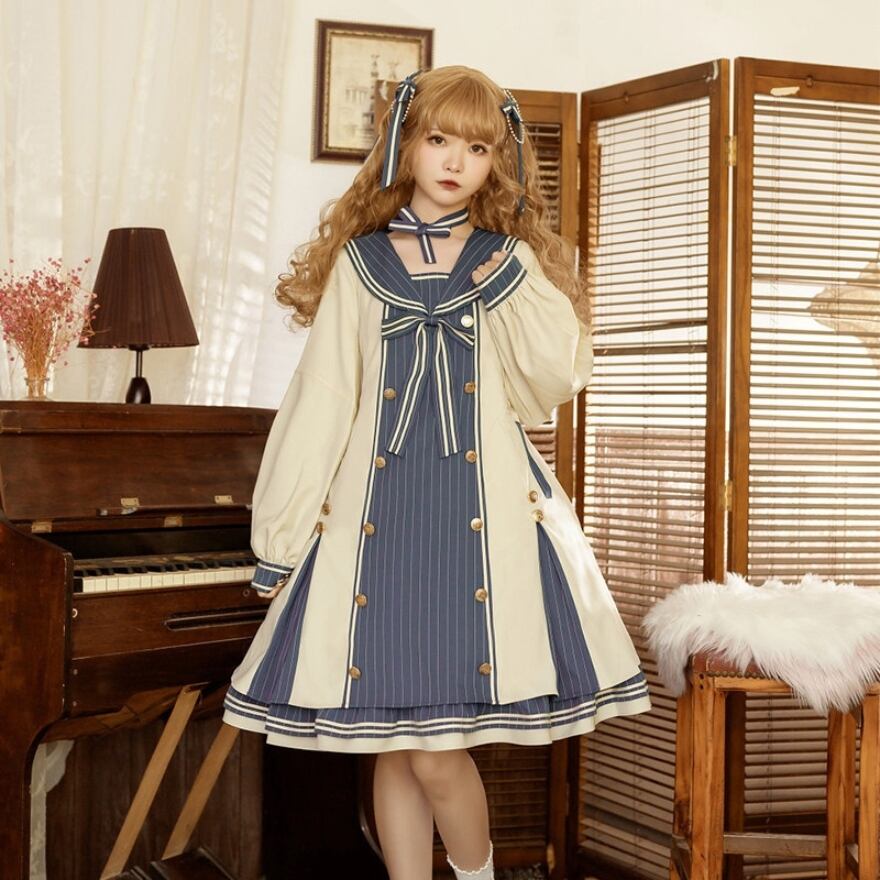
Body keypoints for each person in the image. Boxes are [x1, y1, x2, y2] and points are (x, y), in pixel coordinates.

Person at [222, 65, 651, 880]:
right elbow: (322, 401)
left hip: (481, 524)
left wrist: (514, 285)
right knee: (396, 744)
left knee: (434, 752)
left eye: (478, 148)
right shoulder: (360, 265)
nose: (456, 161)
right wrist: (279, 536)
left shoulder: (507, 261)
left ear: (497, 162)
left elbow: (554, 380)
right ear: (404, 146)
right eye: (439, 139)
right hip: (377, 529)